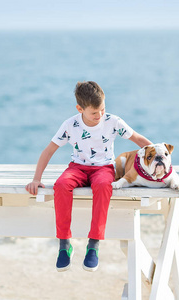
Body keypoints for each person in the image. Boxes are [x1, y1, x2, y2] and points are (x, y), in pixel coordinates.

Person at [25, 81, 152, 272]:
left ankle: (93, 244)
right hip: (77, 168)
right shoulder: (70, 124)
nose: (99, 115)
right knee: (60, 185)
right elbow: (49, 151)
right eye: (94, 113)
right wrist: (36, 178)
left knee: (103, 186)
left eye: (102, 109)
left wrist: (160, 156)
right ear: (80, 108)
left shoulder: (113, 121)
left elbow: (138, 139)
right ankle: (64, 244)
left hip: (104, 169)